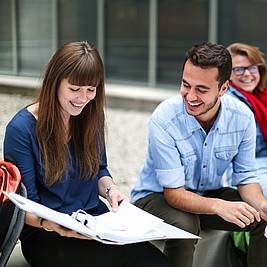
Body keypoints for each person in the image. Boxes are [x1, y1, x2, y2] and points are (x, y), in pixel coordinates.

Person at [3, 41, 171, 267]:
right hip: (47, 232)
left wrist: (111, 191)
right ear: (54, 82)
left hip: (94, 221)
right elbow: (25, 206)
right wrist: (55, 225)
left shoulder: (90, 115)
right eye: (74, 89)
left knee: (156, 262)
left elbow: (99, 170)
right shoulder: (21, 129)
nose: (83, 98)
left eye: (91, 90)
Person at [131, 42, 267, 267]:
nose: (190, 96)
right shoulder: (164, 119)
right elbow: (174, 195)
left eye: (201, 89)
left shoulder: (242, 117)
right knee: (185, 224)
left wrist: (262, 205)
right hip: (156, 197)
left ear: (223, 88)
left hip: (205, 193)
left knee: (259, 216)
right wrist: (218, 206)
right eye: (186, 85)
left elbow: (246, 178)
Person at [227, 42, 267, 197]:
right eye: (238, 69)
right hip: (250, 170)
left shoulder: (262, 95)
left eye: (252, 68)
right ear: (228, 73)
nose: (247, 74)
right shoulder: (231, 101)